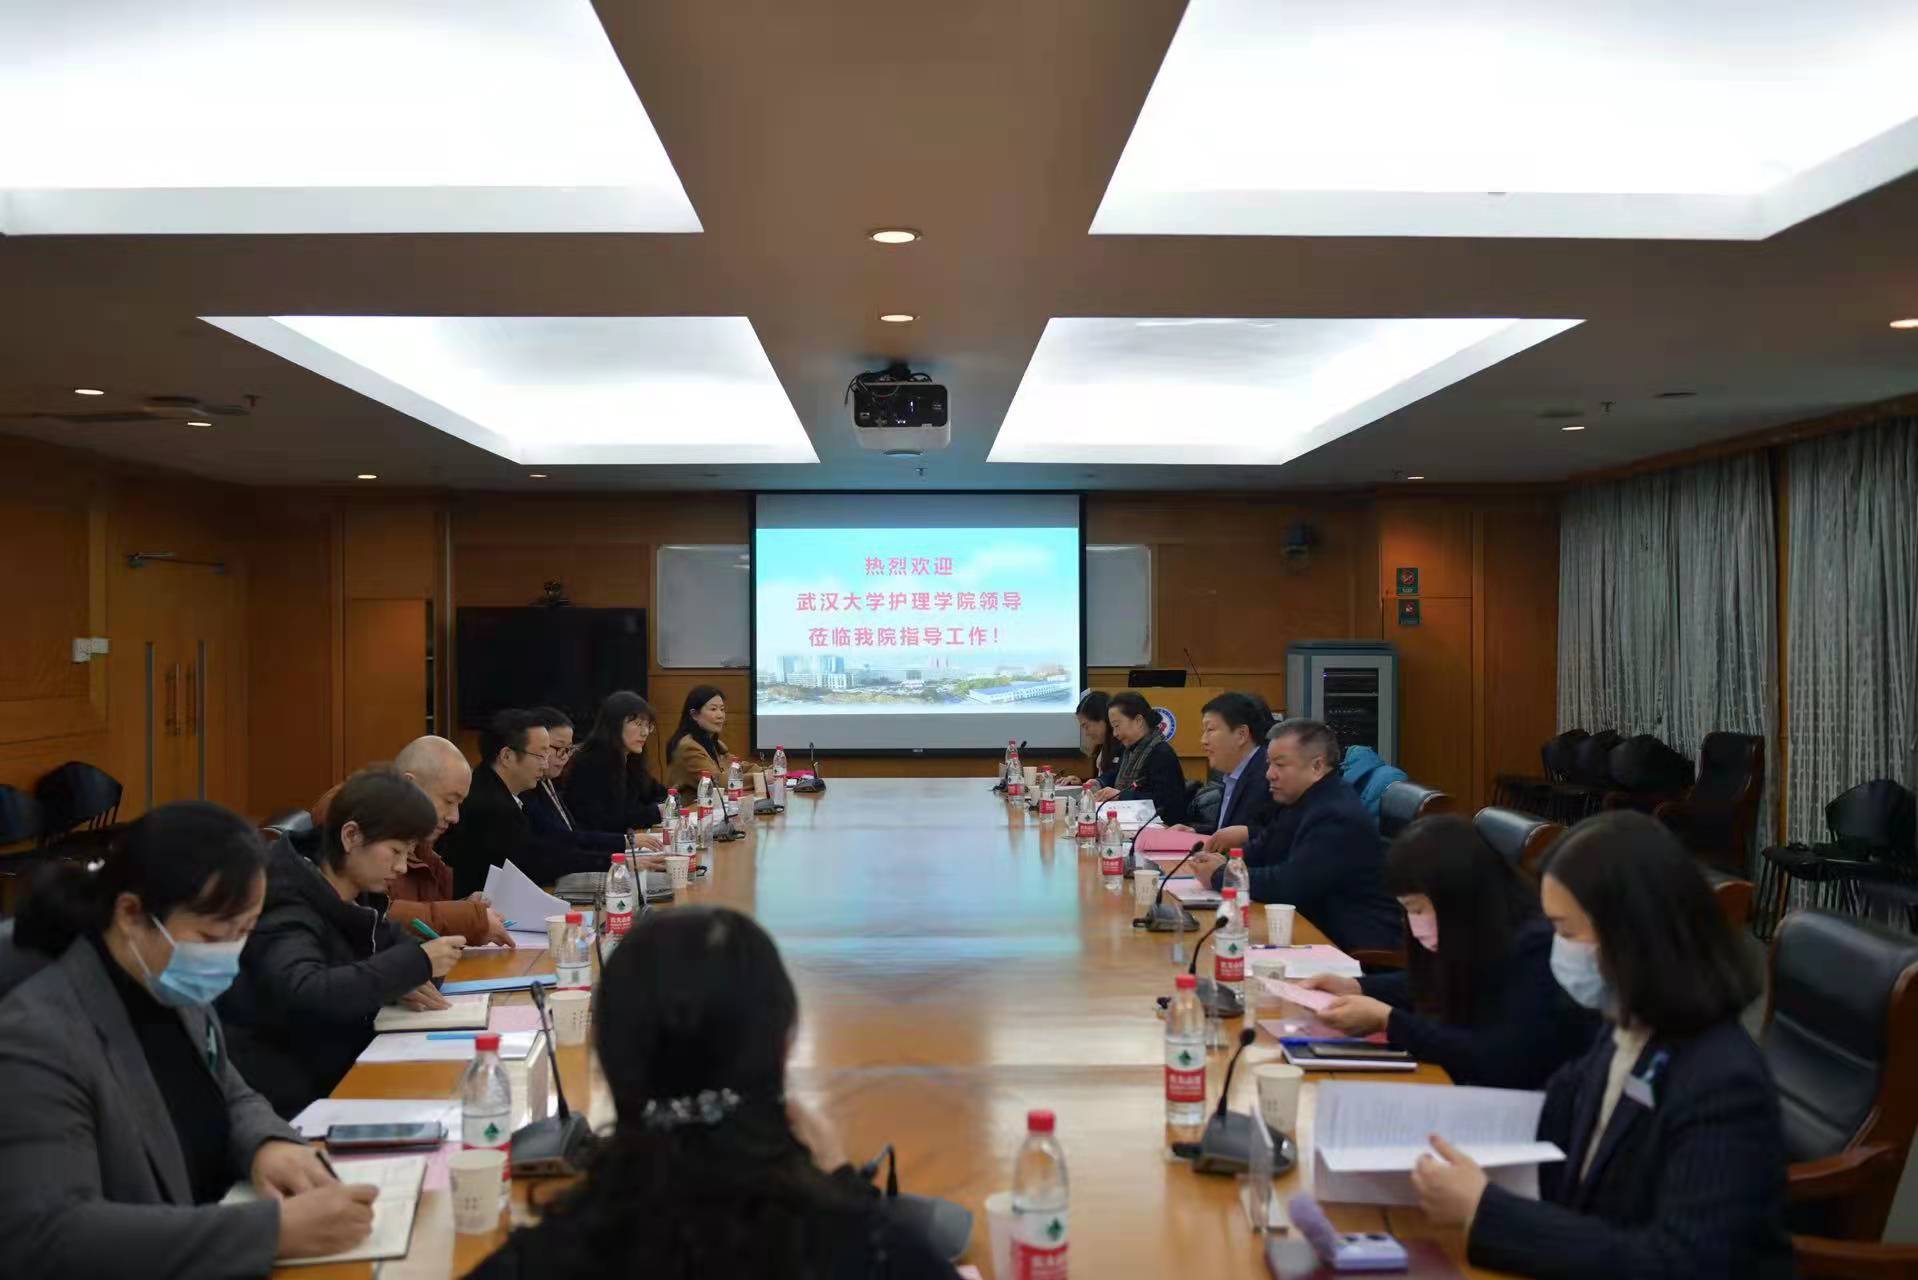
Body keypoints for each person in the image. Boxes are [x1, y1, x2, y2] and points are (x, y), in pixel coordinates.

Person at [470, 906, 958, 1280]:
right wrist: (847, 1189)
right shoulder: (879, 1252)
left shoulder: (533, 1262)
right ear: (785, 1046)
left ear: (605, 1058)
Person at [0, 802, 381, 1274]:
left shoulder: (166, 980)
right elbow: (48, 1236)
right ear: (131, 913)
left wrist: (267, 1145)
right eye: (212, 936)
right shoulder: (39, 1038)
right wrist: (272, 1232)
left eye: (243, 932)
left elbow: (229, 1091)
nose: (227, 955)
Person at [1410, 810, 1793, 1278]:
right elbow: (1556, 1131)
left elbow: (1683, 1263)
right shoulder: (1626, 1030)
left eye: (1566, 931)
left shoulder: (1722, 1080)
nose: (1555, 948)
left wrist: (1487, 1210)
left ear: (1630, 935)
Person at [220, 769, 468, 1118]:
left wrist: (409, 971)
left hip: (346, 1068)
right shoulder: (285, 898)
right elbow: (307, 991)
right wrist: (411, 966)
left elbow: (403, 956)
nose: (401, 867)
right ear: (351, 836)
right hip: (295, 1097)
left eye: (408, 852)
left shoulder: (357, 892)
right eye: (395, 851)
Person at [1295, 816, 1599, 1088]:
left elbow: (1499, 1057)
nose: (1414, 923)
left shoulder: (1534, 949)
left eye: (1418, 909)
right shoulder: (1477, 928)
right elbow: (1436, 979)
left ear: (1455, 897)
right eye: (1407, 910)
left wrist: (1390, 1022)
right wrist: (1357, 986)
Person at [1185, 718, 1401, 954]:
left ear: (1317, 767)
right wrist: (1228, 863)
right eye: (1269, 764)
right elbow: (1263, 850)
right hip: (1311, 929)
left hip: (1352, 948)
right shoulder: (1300, 800)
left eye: (1280, 764)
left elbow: (1289, 884)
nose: (1269, 774)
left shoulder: (1335, 813)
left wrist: (1221, 875)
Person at [315, 735, 515, 947]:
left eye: (459, 804)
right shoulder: (353, 812)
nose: (455, 817)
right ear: (411, 785)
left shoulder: (416, 834)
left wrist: (463, 909)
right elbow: (375, 914)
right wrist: (467, 919)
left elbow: (418, 911)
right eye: (449, 800)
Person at [437, 709, 620, 897]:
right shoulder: (492, 806)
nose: (545, 764)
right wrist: (616, 862)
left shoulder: (492, 787)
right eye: (540, 756)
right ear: (507, 756)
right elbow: (538, 863)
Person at [556, 693, 671, 847]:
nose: (645, 732)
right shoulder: (591, 763)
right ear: (614, 725)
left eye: (648, 725)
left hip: (622, 844)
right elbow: (609, 821)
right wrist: (655, 812)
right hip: (597, 849)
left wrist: (658, 808)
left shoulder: (630, 759)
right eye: (638, 724)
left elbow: (661, 794)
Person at [1179, 691, 1277, 846]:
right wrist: (1194, 832)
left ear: (1241, 735)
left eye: (1210, 730)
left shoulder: (1270, 774)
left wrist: (1247, 834)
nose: (1203, 740)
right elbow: (1227, 829)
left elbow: (1285, 834)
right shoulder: (1234, 773)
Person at [1090, 689, 1189, 823]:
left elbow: (1164, 802)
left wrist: (1121, 796)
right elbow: (1115, 774)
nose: (1115, 734)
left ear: (1138, 721)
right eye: (1113, 728)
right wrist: (1099, 782)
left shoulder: (1161, 753)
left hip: (1161, 827)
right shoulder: (1129, 750)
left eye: (1117, 726)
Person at [663, 685, 752, 794]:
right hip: (691, 804)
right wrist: (759, 779)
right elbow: (718, 782)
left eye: (722, 709)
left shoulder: (715, 744)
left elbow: (738, 767)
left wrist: (766, 771)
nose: (720, 715)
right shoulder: (688, 748)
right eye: (713, 709)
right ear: (694, 714)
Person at [1056, 690, 1116, 787]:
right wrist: (1082, 783)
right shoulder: (1102, 747)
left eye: (1086, 726)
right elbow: (1102, 782)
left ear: (1103, 719)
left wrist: (1091, 784)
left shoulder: (1121, 747)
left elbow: (1114, 783)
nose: (1086, 733)